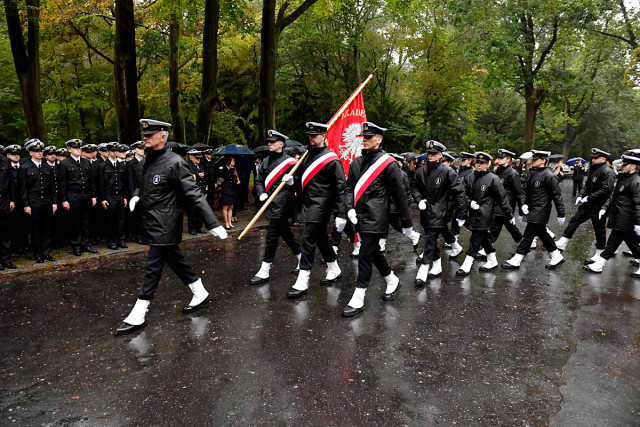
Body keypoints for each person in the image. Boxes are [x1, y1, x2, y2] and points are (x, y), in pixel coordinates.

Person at [115, 119, 228, 336]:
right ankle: (199, 291)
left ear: (163, 136)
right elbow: (140, 183)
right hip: (150, 220)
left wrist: (212, 222)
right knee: (174, 258)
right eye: (144, 135)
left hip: (166, 222)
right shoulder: (146, 161)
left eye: (150, 134)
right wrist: (137, 196)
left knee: (153, 266)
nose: (145, 138)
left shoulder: (175, 162)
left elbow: (193, 193)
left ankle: (139, 312)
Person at [341, 122, 414, 317]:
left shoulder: (388, 164)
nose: (364, 140)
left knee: (365, 254)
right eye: (363, 137)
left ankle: (359, 295)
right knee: (372, 252)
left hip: (377, 216)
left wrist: (406, 223)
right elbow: (349, 189)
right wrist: (348, 209)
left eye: (369, 137)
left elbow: (399, 195)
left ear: (379, 139)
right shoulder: (356, 163)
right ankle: (392, 280)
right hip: (358, 215)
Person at [286, 121, 346, 298]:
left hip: (322, 205)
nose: (311, 138)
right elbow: (302, 180)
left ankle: (303, 279)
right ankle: (334, 269)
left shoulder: (332, 160)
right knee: (321, 240)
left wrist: (341, 213)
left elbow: (341, 188)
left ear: (324, 136)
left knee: (308, 239)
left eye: (315, 135)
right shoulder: (306, 156)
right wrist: (292, 181)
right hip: (308, 203)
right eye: (310, 135)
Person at [249, 129, 302, 285]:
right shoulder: (265, 161)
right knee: (285, 233)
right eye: (269, 142)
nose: (269, 144)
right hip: (270, 203)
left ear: (281, 144)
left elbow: (300, 182)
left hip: (284, 204)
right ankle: (301, 257)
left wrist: (292, 182)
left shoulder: (290, 162)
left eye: (273, 142)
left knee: (272, 235)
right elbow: (258, 180)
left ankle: (265, 269)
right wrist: (261, 194)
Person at [410, 140, 466, 284]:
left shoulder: (447, 171)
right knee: (430, 237)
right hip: (426, 211)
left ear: (440, 155)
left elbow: (459, 192)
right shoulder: (421, 171)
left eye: (434, 153)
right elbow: (414, 187)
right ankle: (437, 265)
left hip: (440, 210)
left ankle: (423, 269)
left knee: (430, 239)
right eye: (429, 153)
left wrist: (461, 213)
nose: (431, 156)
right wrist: (419, 199)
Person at [502, 150, 566, 270]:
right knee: (543, 233)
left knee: (528, 235)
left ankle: (517, 259)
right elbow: (525, 191)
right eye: (533, 159)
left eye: (536, 159)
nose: (533, 161)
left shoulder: (549, 175)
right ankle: (556, 256)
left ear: (543, 160)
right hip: (533, 209)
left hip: (541, 209)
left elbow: (557, 195)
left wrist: (561, 213)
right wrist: (524, 205)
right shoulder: (532, 173)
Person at [456, 152, 514, 275]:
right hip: (473, 212)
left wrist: (509, 214)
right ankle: (492, 259)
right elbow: (463, 193)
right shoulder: (469, 177)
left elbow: (502, 198)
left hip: (485, 213)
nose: (479, 165)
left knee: (476, 237)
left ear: (487, 165)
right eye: (477, 162)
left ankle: (467, 263)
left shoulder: (493, 178)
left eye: (482, 163)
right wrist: (469, 202)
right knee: (483, 237)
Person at [583, 154, 640, 275]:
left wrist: (638, 222)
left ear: (634, 166)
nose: (622, 166)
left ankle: (599, 264)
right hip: (619, 216)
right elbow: (614, 196)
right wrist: (605, 207)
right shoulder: (623, 178)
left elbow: (638, 203)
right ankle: (599, 263)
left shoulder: (636, 181)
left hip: (626, 218)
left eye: (625, 164)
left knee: (613, 241)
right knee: (632, 243)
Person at [555, 148, 614, 257]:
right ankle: (563, 241)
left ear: (603, 159)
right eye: (593, 158)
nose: (593, 160)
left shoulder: (607, 171)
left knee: (599, 230)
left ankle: (599, 252)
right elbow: (587, 184)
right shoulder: (594, 169)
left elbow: (607, 189)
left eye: (596, 158)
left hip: (599, 206)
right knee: (574, 220)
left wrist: (589, 197)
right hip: (588, 205)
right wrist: (581, 195)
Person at [18, 139, 58, 263]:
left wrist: (54, 202)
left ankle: (46, 252)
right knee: (35, 229)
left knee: (47, 228)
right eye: (36, 151)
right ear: (31, 153)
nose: (40, 153)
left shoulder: (47, 166)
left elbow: (52, 186)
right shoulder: (25, 167)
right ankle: (38, 254)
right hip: (33, 201)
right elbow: (22, 188)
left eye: (41, 151)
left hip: (46, 201)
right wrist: (26, 204)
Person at [58, 139, 97, 256]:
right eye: (75, 148)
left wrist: (93, 195)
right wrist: (64, 200)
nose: (78, 150)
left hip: (86, 195)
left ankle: (85, 244)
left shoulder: (86, 162)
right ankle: (76, 245)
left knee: (86, 221)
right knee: (75, 222)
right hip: (73, 195)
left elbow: (92, 181)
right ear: (69, 149)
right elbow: (62, 184)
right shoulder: (64, 163)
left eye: (79, 148)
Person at [96, 142, 130, 250]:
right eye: (113, 151)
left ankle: (121, 239)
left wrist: (125, 196)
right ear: (109, 152)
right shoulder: (102, 166)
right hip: (109, 196)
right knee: (110, 220)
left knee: (121, 219)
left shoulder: (121, 165)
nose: (115, 153)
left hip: (120, 195)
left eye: (117, 151)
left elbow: (124, 182)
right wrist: (102, 199)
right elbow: (100, 184)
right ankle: (111, 241)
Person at [489, 149, 524, 245]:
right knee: (510, 226)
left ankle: (488, 246)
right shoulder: (498, 172)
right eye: (498, 157)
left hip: (506, 204)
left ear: (508, 159)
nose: (499, 159)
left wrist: (521, 208)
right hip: (497, 203)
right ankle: (522, 241)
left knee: (495, 226)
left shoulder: (512, 173)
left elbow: (518, 192)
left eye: (502, 158)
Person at [6, 144, 29, 255]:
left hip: (24, 200)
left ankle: (24, 245)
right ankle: (13, 246)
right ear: (7, 155)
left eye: (18, 154)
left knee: (24, 224)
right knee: (12, 224)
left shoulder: (24, 166)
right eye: (13, 154)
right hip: (10, 201)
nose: (16, 156)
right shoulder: (6, 168)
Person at [0, 147, 17, 270]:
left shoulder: (5, 161)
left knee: (6, 231)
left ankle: (6, 259)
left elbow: (11, 181)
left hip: (4, 201)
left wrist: (12, 199)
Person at [186, 149, 207, 234]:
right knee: (192, 211)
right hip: (192, 191)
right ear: (191, 157)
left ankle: (199, 227)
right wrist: (198, 175)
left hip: (201, 190)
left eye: (199, 158)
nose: (199, 160)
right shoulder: (187, 165)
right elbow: (187, 177)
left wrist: (205, 191)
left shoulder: (201, 165)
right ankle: (192, 228)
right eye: (197, 158)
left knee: (200, 210)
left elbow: (206, 175)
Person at [218, 156, 239, 229]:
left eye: (234, 161)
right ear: (229, 161)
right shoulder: (223, 168)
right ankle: (226, 222)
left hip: (232, 189)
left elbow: (234, 179)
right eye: (232, 161)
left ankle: (230, 222)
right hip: (226, 189)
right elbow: (220, 177)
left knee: (231, 207)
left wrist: (236, 181)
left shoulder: (233, 169)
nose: (233, 162)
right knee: (225, 206)